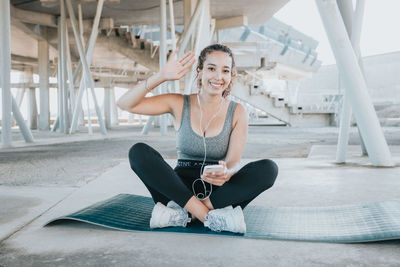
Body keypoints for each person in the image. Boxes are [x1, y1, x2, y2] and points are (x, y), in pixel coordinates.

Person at [117, 44, 278, 234]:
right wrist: (161, 76)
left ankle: (184, 214)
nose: (218, 77)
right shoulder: (179, 103)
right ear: (200, 72)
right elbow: (125, 103)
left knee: (269, 168)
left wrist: (227, 172)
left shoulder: (237, 112)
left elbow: (233, 161)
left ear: (231, 77)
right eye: (211, 68)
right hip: (176, 190)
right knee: (138, 152)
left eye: (225, 70)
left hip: (218, 193)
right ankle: (208, 216)